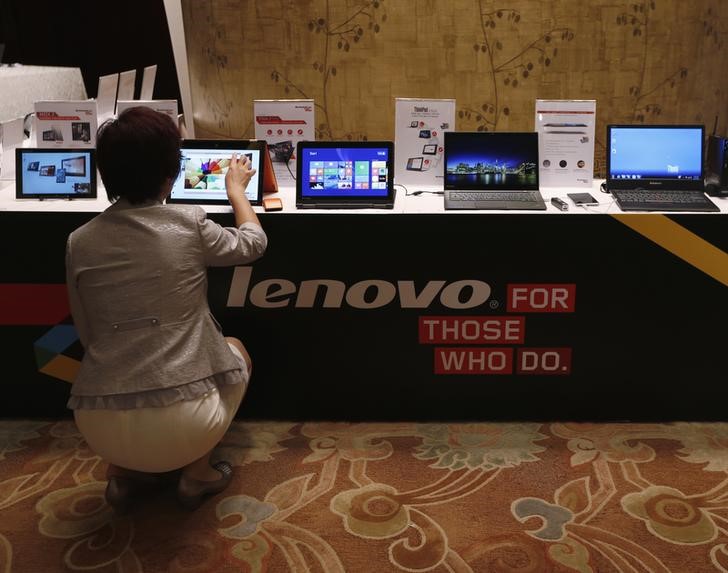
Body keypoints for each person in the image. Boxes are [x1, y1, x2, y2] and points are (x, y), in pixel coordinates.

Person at [65, 107, 267, 512]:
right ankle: (197, 474)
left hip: (97, 421)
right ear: (171, 171)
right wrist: (236, 191)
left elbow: (87, 333)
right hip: (186, 424)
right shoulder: (189, 222)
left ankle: (122, 474)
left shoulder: (79, 241)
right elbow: (252, 244)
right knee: (236, 350)